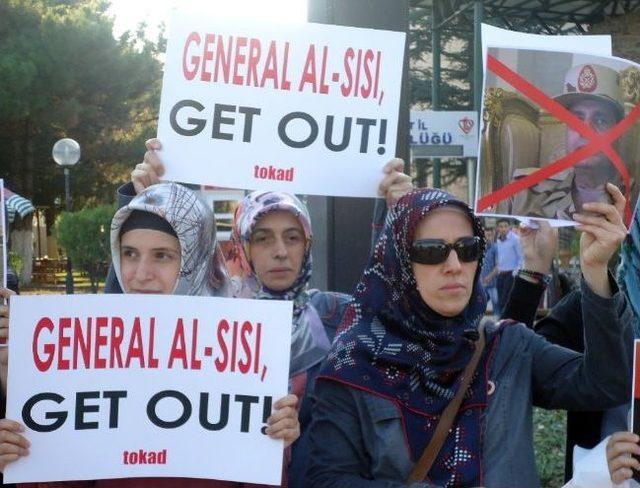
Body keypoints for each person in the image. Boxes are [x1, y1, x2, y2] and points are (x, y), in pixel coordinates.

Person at [305, 186, 632, 487]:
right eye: (431, 251)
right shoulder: (355, 363)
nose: (454, 265)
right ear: (399, 260)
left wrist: (594, 270)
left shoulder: (506, 346)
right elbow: (326, 479)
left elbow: (603, 385)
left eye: (467, 248)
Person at [0, 182, 300, 487]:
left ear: (195, 261)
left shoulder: (242, 352)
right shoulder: (88, 353)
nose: (141, 273)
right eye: (130, 253)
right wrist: (26, 451)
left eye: (162, 256)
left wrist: (276, 445)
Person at [510, 63, 627, 221]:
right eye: (576, 119)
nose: (584, 131)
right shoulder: (525, 191)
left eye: (600, 120)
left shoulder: (634, 202)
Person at [492, 218, 522, 315]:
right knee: (499, 299)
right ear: (497, 228)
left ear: (509, 227)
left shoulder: (515, 239)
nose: (503, 228)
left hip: (511, 274)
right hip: (501, 273)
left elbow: (521, 257)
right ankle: (501, 320)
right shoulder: (497, 240)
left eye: (505, 226)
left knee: (505, 299)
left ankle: (505, 321)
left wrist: (515, 272)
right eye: (501, 226)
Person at [480, 227, 499, 314]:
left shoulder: (496, 248)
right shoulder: (480, 249)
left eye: (489, 235)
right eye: (485, 235)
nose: (487, 237)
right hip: (481, 284)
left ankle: (498, 323)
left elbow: (498, 266)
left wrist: (489, 277)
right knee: (480, 306)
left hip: (493, 284)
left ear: (493, 236)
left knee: (496, 305)